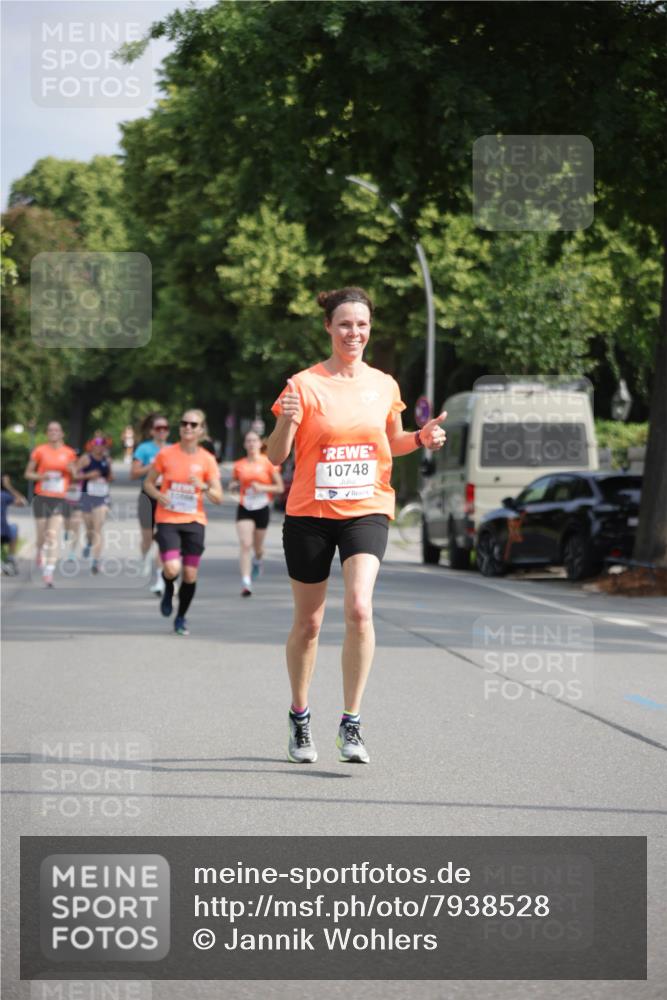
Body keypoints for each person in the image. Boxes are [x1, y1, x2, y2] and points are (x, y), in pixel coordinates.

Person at [267, 287, 447, 765]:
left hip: (366, 508)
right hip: (310, 514)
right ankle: (300, 716)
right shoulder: (303, 384)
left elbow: (393, 441)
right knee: (309, 624)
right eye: (345, 324)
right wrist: (285, 422)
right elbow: (276, 456)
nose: (354, 332)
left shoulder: (384, 385)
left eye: (362, 324)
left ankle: (351, 722)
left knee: (360, 609)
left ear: (370, 329)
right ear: (328, 327)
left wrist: (421, 438)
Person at [142, 409, 222, 635]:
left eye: (193, 424)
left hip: (194, 520)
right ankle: (168, 586)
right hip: (168, 518)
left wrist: (204, 486)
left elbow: (218, 497)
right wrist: (158, 495)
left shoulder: (207, 459)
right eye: (184, 423)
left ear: (201, 430)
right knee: (171, 568)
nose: (187, 427)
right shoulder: (166, 454)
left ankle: (181, 617)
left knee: (190, 575)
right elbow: (148, 483)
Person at [24, 421, 78, 587]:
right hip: (41, 496)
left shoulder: (69, 453)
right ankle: (40, 550)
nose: (53, 432)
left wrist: (72, 470)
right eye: (50, 430)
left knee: (52, 535)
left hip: (59, 498)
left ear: (62, 433)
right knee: (41, 535)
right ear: (47, 433)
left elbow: (76, 477)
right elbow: (28, 474)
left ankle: (49, 571)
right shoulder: (40, 451)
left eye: (56, 430)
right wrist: (42, 477)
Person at [231, 430, 283, 596]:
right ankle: (246, 582)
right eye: (248, 441)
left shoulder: (268, 463)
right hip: (245, 506)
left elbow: (280, 488)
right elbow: (234, 483)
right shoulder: (239, 465)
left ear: (260, 444)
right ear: (245, 444)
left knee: (258, 547)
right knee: (245, 543)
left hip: (262, 506)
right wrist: (233, 486)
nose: (252, 443)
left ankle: (258, 560)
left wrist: (262, 488)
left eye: (254, 440)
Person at [131, 414, 170, 594]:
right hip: (148, 495)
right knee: (148, 537)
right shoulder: (144, 448)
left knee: (163, 537)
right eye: (158, 428)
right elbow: (134, 473)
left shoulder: (173, 449)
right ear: (152, 431)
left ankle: (160, 579)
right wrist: (153, 466)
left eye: (165, 428)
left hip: (166, 496)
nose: (162, 431)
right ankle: (145, 556)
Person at [76, 436, 114, 574]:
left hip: (102, 498)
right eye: (97, 444)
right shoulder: (85, 459)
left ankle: (96, 561)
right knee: (89, 528)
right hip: (87, 497)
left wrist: (108, 477)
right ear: (92, 446)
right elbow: (74, 475)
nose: (99, 447)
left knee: (98, 528)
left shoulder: (107, 460)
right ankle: (89, 542)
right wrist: (88, 476)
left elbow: (110, 477)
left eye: (102, 445)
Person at [1, 472, 28, 574]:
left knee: (13, 527)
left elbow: (23, 503)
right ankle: (10, 558)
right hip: (3, 532)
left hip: (3, 531)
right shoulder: (4, 495)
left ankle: (9, 560)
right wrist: (9, 487)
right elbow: (23, 502)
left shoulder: (4, 496)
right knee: (13, 528)